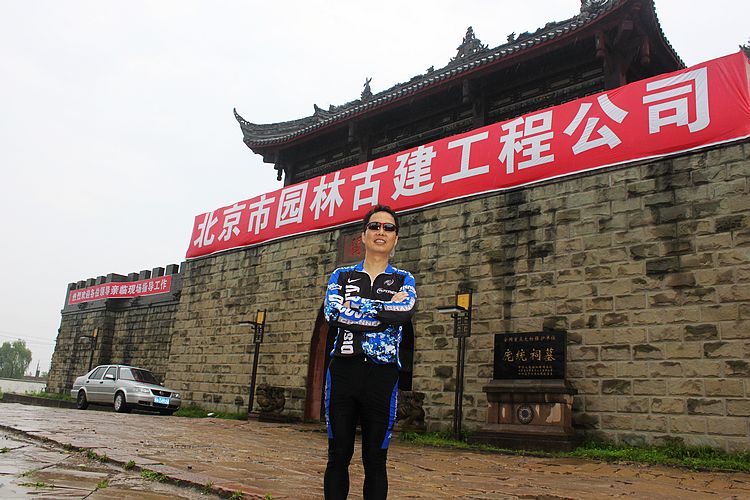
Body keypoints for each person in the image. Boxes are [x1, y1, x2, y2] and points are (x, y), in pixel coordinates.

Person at [323, 205, 417, 500]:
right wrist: (383, 312)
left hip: (383, 374)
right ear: (363, 236)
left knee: (375, 460)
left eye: (388, 228)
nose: (381, 232)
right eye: (374, 226)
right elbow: (332, 313)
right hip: (343, 370)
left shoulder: (404, 279)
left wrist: (356, 305)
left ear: (395, 238)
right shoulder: (341, 275)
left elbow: (404, 312)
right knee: (338, 455)